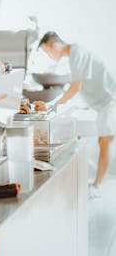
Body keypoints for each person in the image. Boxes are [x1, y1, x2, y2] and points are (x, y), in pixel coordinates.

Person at [39, 31, 116, 198]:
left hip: (110, 100)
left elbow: (75, 88)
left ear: (55, 45)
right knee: (104, 140)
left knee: (105, 141)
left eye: (47, 51)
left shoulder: (76, 53)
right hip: (106, 103)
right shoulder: (75, 53)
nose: (49, 55)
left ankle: (96, 187)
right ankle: (97, 184)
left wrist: (52, 106)